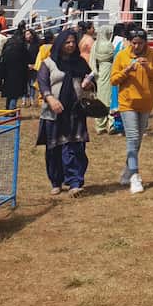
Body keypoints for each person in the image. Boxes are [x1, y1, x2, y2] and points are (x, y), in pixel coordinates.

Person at [36, 29, 95, 197]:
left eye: (73, 42)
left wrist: (89, 84)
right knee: (54, 147)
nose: (70, 45)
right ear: (60, 43)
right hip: (54, 112)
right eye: (67, 42)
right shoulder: (48, 63)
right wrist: (50, 99)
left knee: (75, 146)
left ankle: (75, 182)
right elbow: (42, 83)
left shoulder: (80, 63)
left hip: (75, 111)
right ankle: (56, 181)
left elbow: (91, 79)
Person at [110, 29, 153, 195]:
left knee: (138, 140)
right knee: (132, 137)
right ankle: (135, 175)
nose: (137, 46)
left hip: (145, 103)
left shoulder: (152, 54)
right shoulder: (122, 55)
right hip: (127, 103)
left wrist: (148, 68)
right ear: (129, 42)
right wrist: (126, 71)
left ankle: (127, 169)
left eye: (140, 43)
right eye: (134, 42)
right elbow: (113, 79)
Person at [0, 27, 31, 112]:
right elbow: (27, 58)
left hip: (7, 71)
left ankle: (7, 109)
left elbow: (3, 56)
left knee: (9, 92)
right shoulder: (21, 45)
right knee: (15, 93)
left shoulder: (8, 43)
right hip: (19, 72)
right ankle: (11, 110)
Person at [91, 24, 117, 132]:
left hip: (100, 72)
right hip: (109, 70)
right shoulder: (108, 45)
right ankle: (110, 123)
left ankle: (100, 125)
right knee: (110, 99)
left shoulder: (95, 45)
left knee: (101, 98)